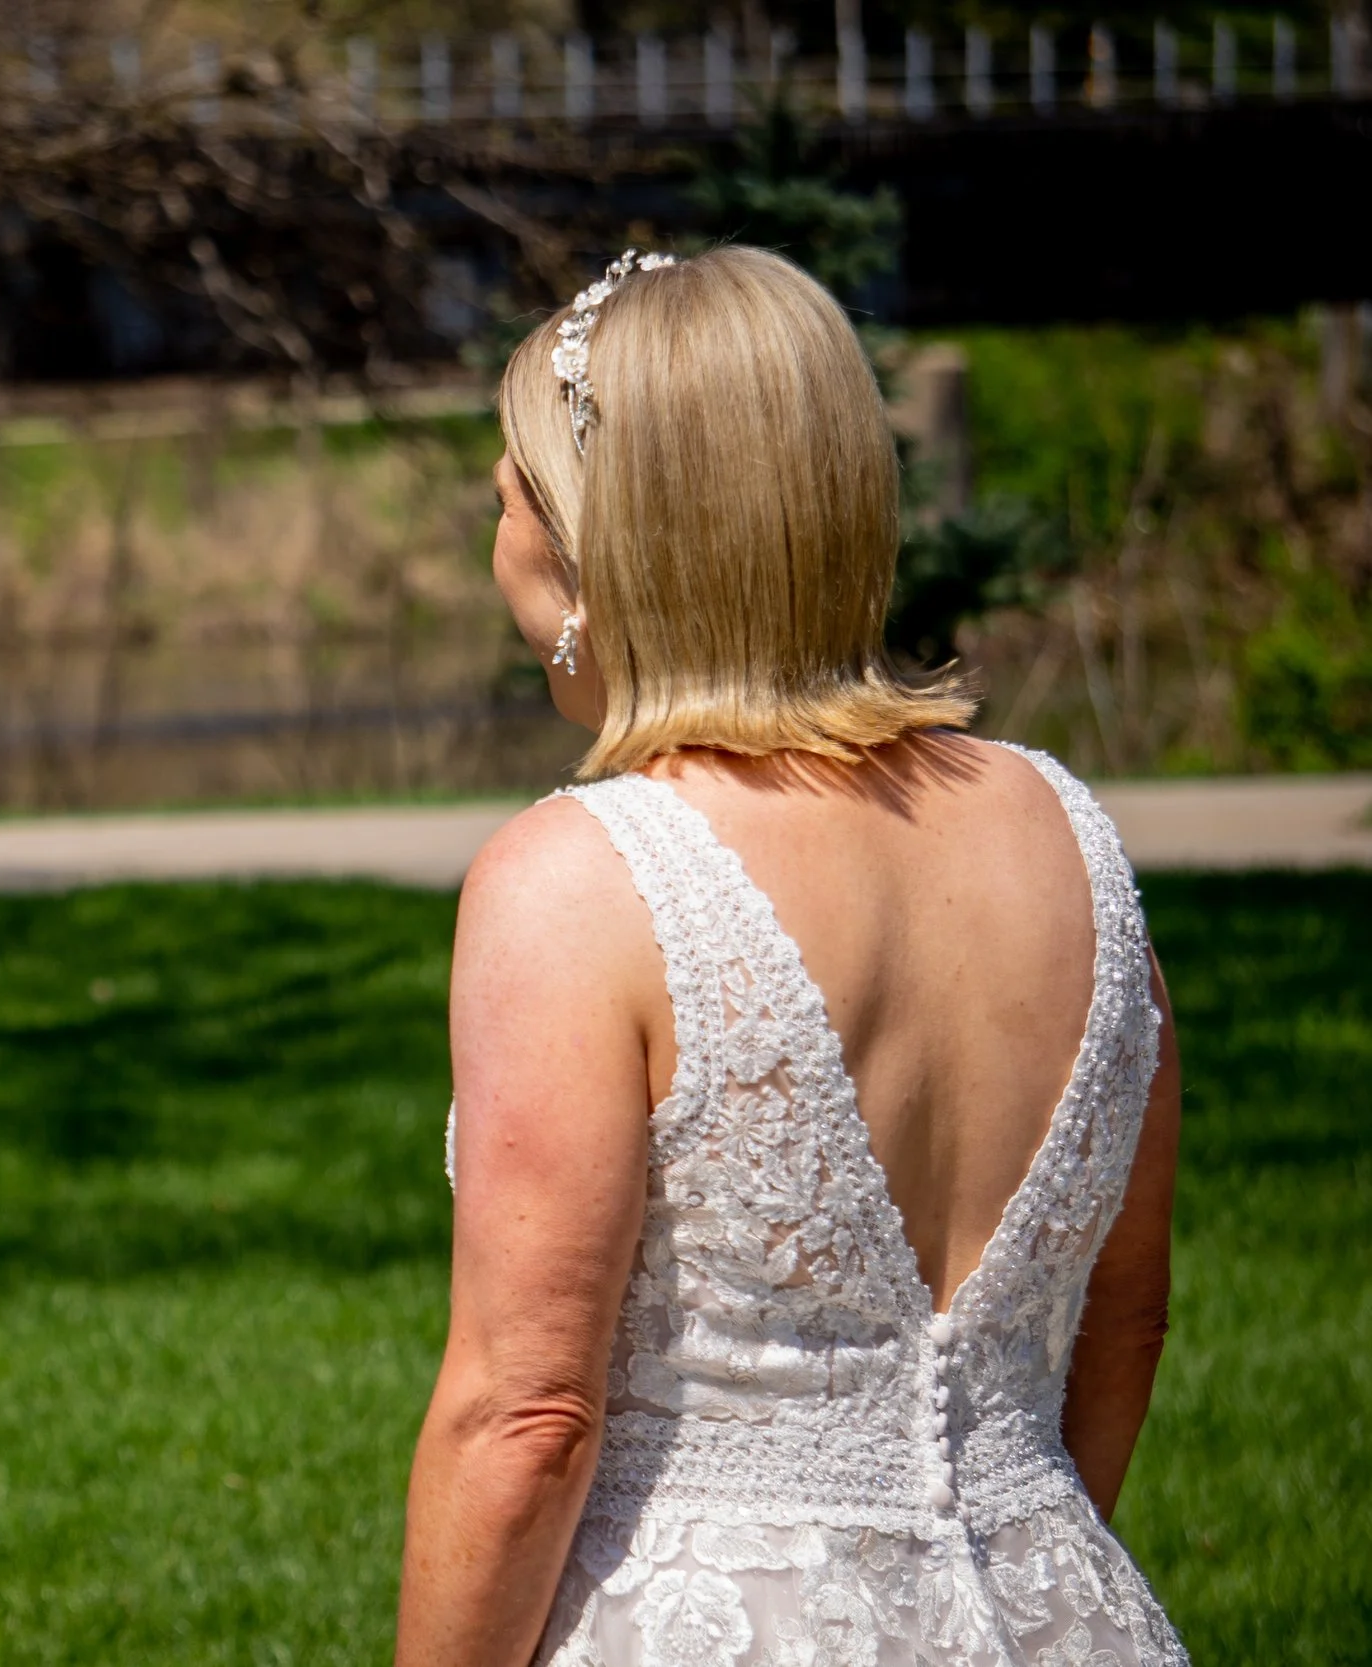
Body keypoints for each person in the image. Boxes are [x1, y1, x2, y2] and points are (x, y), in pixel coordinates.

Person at [397, 246, 1187, 1667]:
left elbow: (529, 1414)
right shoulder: (1072, 837)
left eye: (510, 487)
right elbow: (1126, 1322)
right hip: (1051, 1608)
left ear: (594, 538)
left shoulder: (577, 879)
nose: (495, 526)